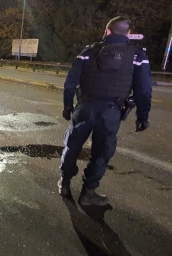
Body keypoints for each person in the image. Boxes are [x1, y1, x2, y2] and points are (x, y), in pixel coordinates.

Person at [58, 16, 152, 205]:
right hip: (111, 112)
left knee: (72, 147)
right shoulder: (137, 56)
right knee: (101, 153)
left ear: (107, 31)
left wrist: (68, 105)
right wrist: (142, 116)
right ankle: (88, 193)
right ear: (129, 34)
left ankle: (65, 183)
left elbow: (70, 82)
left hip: (84, 108)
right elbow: (144, 89)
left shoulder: (88, 51)